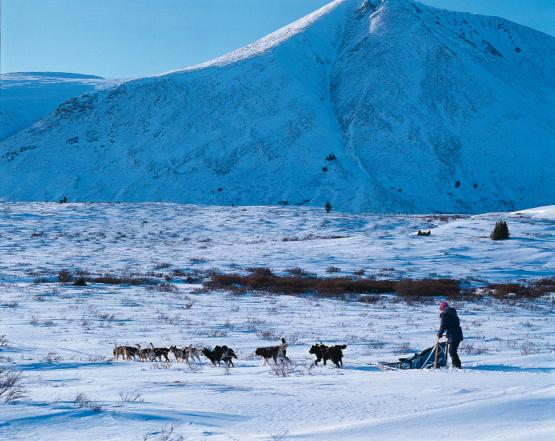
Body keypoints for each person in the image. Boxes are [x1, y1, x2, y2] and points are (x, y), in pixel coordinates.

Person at [437, 301, 463, 368]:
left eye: (441, 309)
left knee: (452, 351)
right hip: (457, 334)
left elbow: (443, 326)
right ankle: (456, 364)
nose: (441, 310)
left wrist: (440, 334)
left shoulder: (445, 314)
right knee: (452, 351)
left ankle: (457, 365)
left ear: (443, 308)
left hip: (454, 335)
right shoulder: (453, 313)